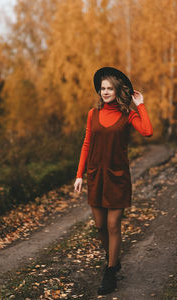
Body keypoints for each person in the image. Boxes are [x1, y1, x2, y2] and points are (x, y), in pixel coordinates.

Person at [73, 67, 153, 295]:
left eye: (109, 88)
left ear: (118, 91)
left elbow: (148, 131)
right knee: (100, 226)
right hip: (96, 175)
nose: (105, 92)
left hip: (118, 177)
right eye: (102, 88)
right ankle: (113, 260)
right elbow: (87, 143)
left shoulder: (129, 114)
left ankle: (110, 272)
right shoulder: (92, 114)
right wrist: (79, 174)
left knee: (112, 225)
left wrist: (140, 104)